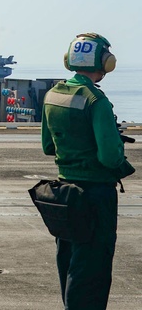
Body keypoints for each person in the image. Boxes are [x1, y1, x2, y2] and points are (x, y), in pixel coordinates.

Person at [41, 33, 135, 309]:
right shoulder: (96, 100)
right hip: (95, 196)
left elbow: (48, 146)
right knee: (92, 271)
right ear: (106, 62)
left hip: (64, 194)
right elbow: (109, 157)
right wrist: (117, 149)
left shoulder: (53, 94)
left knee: (70, 266)